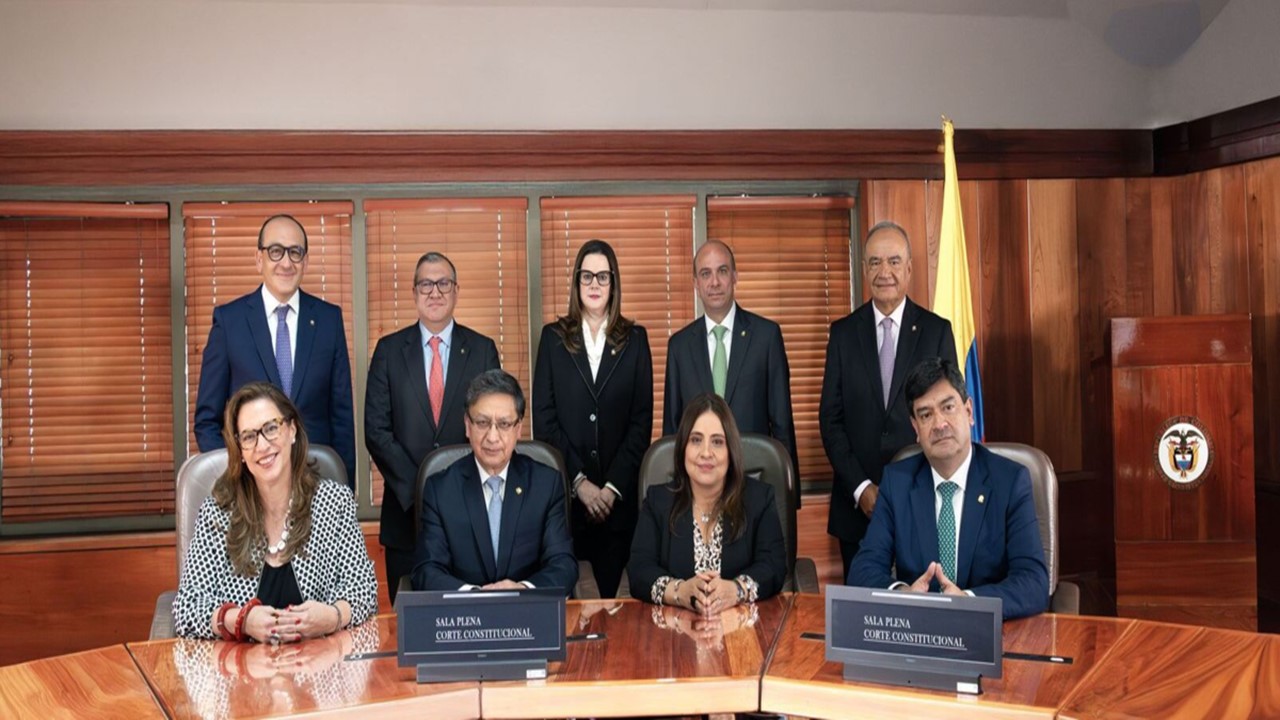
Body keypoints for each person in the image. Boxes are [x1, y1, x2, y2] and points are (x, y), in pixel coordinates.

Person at [173, 382, 378, 641]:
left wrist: (332, 617)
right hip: (240, 664)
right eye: (249, 437)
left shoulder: (334, 503)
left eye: (271, 428)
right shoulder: (219, 513)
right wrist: (242, 621)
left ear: (292, 430)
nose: (262, 445)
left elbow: (364, 590)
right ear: (241, 451)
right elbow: (186, 607)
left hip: (319, 661)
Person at [848, 358, 1049, 620]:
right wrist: (904, 594)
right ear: (915, 428)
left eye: (948, 407)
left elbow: (1033, 582)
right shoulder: (898, 482)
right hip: (920, 631)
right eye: (926, 415)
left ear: (969, 412)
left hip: (987, 631)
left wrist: (969, 601)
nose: (939, 424)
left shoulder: (1010, 481)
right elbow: (863, 570)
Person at [820, 221, 957, 581]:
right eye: (875, 262)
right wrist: (861, 488)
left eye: (894, 262)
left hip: (922, 501)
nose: (885, 272)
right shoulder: (843, 334)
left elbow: (948, 417)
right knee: (863, 605)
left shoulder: (936, 331)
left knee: (922, 601)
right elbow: (830, 421)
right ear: (864, 270)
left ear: (909, 268)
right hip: (857, 510)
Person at [365, 251, 500, 602]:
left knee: (470, 616)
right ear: (414, 292)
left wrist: (453, 494)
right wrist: (420, 491)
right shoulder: (389, 350)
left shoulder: (482, 350)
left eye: (443, 283)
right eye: (426, 284)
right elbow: (376, 431)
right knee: (409, 620)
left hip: (470, 513)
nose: (435, 292)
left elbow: (493, 428)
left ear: (456, 291)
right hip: (405, 517)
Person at [194, 214, 356, 484]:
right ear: (259, 259)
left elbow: (342, 420)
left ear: (305, 262)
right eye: (276, 251)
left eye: (295, 252)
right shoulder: (230, 322)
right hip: (251, 486)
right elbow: (207, 422)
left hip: (316, 482)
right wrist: (236, 479)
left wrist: (343, 489)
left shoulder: (329, 320)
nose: (286, 262)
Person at [532, 239, 653, 599]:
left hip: (619, 505)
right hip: (568, 503)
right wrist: (580, 483)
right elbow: (544, 420)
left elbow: (641, 422)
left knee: (617, 610)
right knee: (572, 612)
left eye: (603, 276)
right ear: (576, 282)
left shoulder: (635, 339)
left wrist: (612, 488)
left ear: (614, 282)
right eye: (587, 276)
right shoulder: (553, 338)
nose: (595, 284)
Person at [412, 369, 578, 592]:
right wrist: (475, 596)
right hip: (464, 611)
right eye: (482, 423)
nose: (492, 437)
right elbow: (427, 570)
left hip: (527, 610)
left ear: (518, 429)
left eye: (504, 424)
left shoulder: (546, 484)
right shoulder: (440, 489)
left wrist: (522, 590)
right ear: (467, 425)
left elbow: (563, 565)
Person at [629, 393, 787, 613]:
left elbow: (773, 566)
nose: (706, 453)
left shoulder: (759, 499)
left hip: (741, 627)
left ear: (731, 451)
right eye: (696, 440)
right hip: (674, 628)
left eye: (717, 442)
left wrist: (736, 590)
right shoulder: (658, 501)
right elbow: (639, 571)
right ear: (683, 447)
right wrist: (679, 592)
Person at [663, 240, 798, 478]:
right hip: (698, 483)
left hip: (754, 478)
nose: (714, 282)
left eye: (722, 271)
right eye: (706, 274)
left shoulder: (766, 337)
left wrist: (788, 491)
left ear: (735, 276)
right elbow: (672, 432)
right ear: (695, 283)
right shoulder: (679, 347)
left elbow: (782, 425)